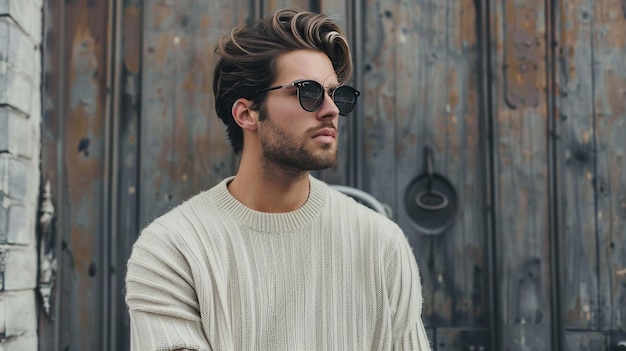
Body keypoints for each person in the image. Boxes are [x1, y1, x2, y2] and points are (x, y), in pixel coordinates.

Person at [125, 7, 431, 351]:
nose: (330, 109)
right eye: (308, 91)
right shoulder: (173, 250)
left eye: (336, 94)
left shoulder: (381, 245)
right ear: (247, 113)